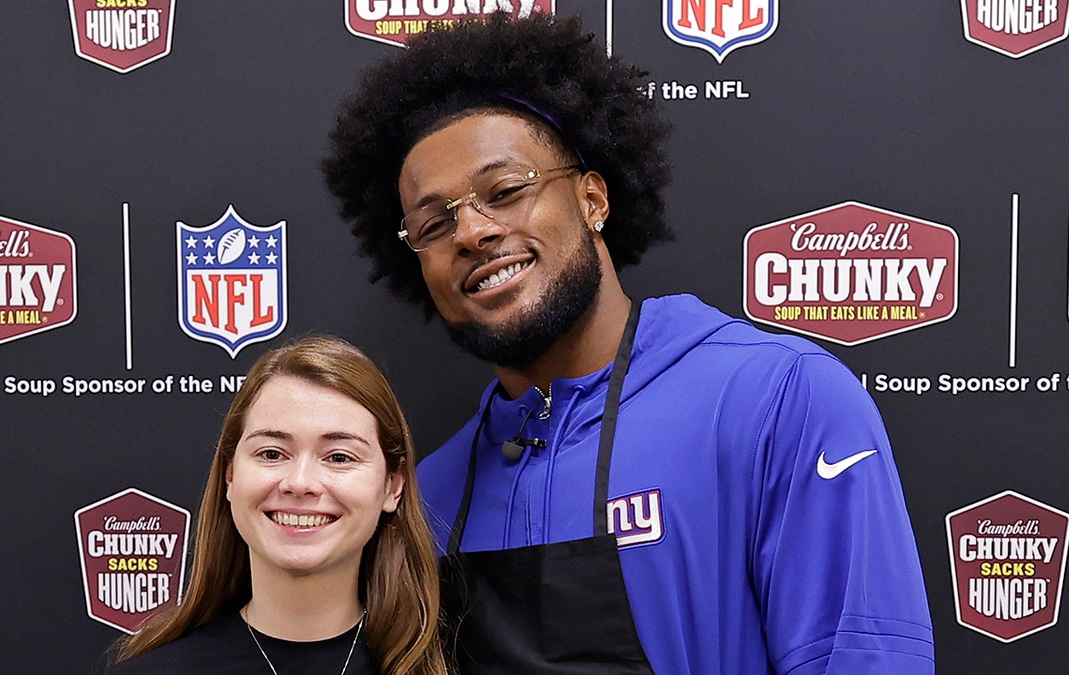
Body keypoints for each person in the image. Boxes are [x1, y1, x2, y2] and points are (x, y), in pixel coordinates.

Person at [322, 11, 934, 675]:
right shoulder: (428, 496)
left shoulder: (778, 400)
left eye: (504, 190)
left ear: (592, 200)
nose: (470, 231)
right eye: (434, 223)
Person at [108, 336, 449, 674]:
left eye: (339, 457)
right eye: (272, 454)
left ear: (393, 485)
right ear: (230, 475)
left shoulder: (450, 666)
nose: (300, 483)